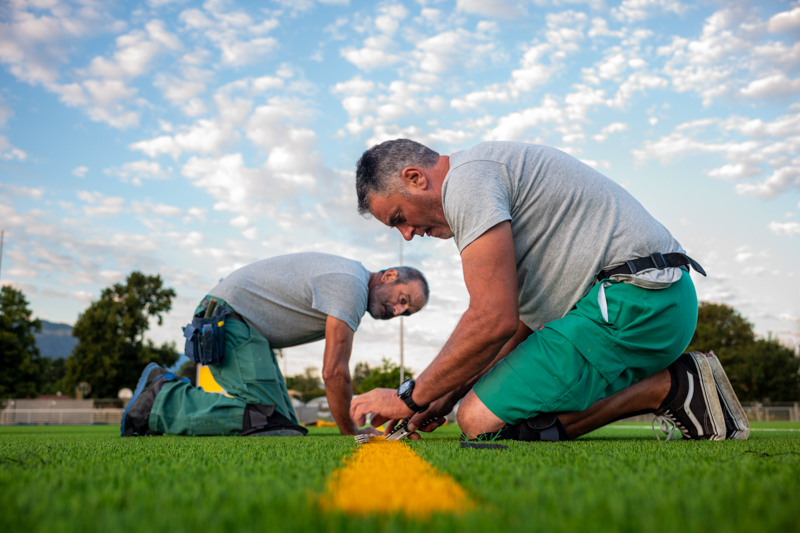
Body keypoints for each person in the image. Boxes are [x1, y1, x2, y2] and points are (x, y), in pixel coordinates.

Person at [350, 139, 749, 442]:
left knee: (480, 422)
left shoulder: (466, 184)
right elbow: (516, 325)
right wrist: (447, 393)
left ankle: (671, 386)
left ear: (415, 178)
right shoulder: (483, 177)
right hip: (645, 301)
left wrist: (408, 397)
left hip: (639, 301)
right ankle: (672, 384)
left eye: (399, 218)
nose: (408, 234)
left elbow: (493, 319)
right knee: (481, 412)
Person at [122, 252, 429, 437]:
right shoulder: (352, 287)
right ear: (389, 276)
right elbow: (334, 372)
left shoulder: (351, 281)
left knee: (286, 429)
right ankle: (161, 398)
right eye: (403, 300)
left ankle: (162, 393)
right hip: (227, 321)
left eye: (407, 312)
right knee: (268, 420)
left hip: (245, 329)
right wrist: (351, 430)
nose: (398, 312)